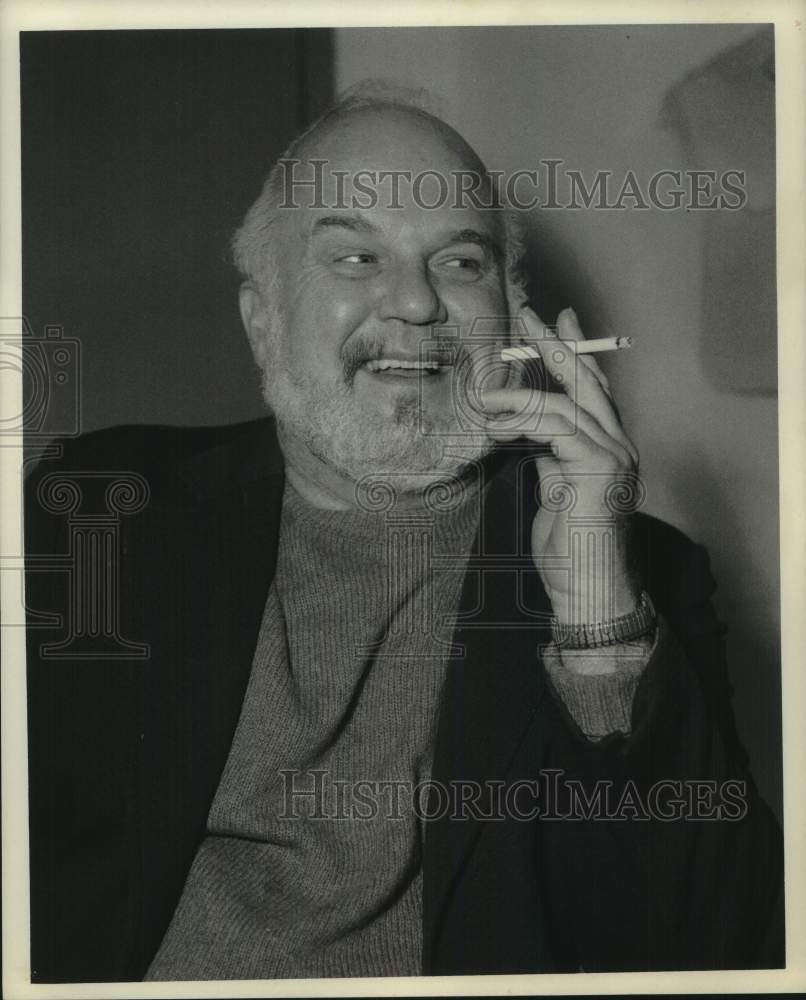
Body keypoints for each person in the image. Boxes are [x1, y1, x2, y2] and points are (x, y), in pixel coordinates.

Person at [24, 84, 784, 982]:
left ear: (513, 319)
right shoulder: (101, 508)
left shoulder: (636, 569)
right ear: (262, 321)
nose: (417, 305)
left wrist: (593, 615)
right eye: (354, 256)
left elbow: (720, 946)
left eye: (461, 263)